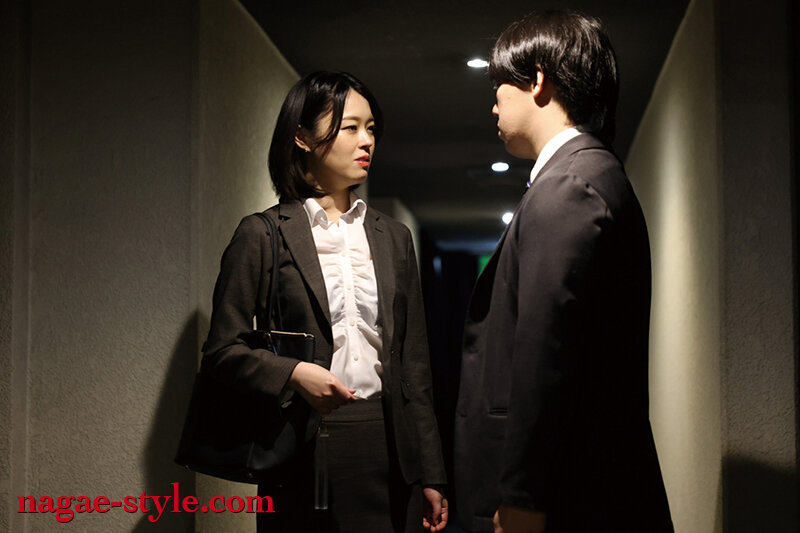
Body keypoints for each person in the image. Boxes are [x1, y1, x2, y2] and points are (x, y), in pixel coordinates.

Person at [454, 11, 673, 533]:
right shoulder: (588, 174)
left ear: (537, 80)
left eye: (499, 86)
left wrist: (524, 495)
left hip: (569, 496)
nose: (494, 105)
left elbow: (545, 350)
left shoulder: (569, 185)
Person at [202, 71, 448, 532]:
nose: (366, 140)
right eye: (350, 127)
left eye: (371, 128)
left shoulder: (394, 237)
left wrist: (432, 473)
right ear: (302, 136)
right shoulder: (263, 234)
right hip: (303, 445)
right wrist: (293, 373)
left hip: (390, 444)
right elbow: (222, 351)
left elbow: (414, 367)